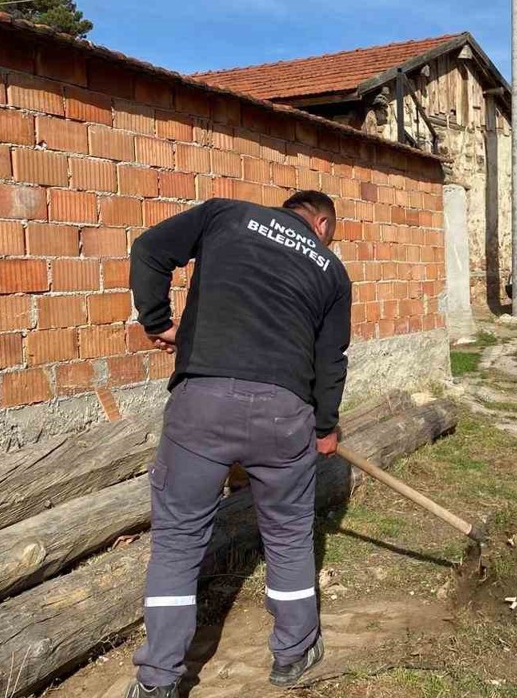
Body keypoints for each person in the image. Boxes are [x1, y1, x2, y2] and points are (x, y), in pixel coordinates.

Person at [125, 191, 352, 697]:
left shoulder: (224, 214)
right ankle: (293, 654)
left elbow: (149, 250)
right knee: (290, 532)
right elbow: (330, 358)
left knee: (179, 539)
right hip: (283, 412)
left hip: (202, 401)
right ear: (320, 224)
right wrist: (325, 427)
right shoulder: (332, 271)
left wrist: (158, 320)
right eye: (330, 234)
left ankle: (158, 679)